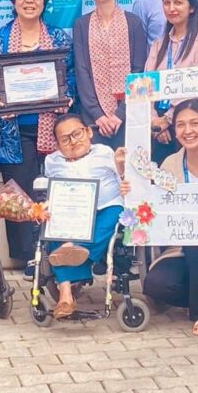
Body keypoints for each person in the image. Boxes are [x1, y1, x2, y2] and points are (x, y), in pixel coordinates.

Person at [0, 0, 75, 271]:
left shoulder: (59, 37)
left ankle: (57, 251)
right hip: (13, 130)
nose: (29, 0)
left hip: (54, 129)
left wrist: (67, 94)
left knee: (54, 191)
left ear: (45, 1)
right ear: (13, 0)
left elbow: (70, 74)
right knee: (19, 192)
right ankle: (29, 257)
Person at [141, 100, 198, 336]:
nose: (187, 130)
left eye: (195, 123)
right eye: (180, 125)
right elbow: (157, 206)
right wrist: (127, 179)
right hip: (179, 246)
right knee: (156, 286)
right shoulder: (169, 164)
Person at [43, 114, 129, 319]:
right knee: (53, 223)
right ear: (57, 144)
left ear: (89, 132)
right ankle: (66, 294)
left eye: (77, 134)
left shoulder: (105, 152)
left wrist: (123, 172)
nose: (73, 141)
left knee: (115, 215)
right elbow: (50, 190)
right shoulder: (52, 161)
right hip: (72, 212)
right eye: (65, 139)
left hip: (105, 207)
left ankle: (67, 279)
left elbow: (124, 179)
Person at [144, 0, 198, 161]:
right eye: (167, 3)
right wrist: (155, 121)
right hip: (160, 128)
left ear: (192, 7)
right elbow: (146, 86)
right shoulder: (159, 44)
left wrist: (169, 120)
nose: (171, 8)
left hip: (193, 122)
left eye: (178, 2)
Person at [72, 0, 148, 148]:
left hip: (130, 115)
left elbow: (140, 71)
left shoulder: (133, 22)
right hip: (94, 120)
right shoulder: (81, 25)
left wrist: (120, 114)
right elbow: (82, 72)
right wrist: (98, 115)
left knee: (130, 172)